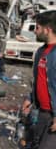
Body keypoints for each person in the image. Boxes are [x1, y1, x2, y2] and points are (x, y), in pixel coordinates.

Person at [22, 10, 56, 149]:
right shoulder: (41, 52)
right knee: (34, 142)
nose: (35, 31)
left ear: (47, 30)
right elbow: (38, 80)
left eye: (37, 27)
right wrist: (30, 98)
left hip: (53, 115)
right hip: (41, 111)